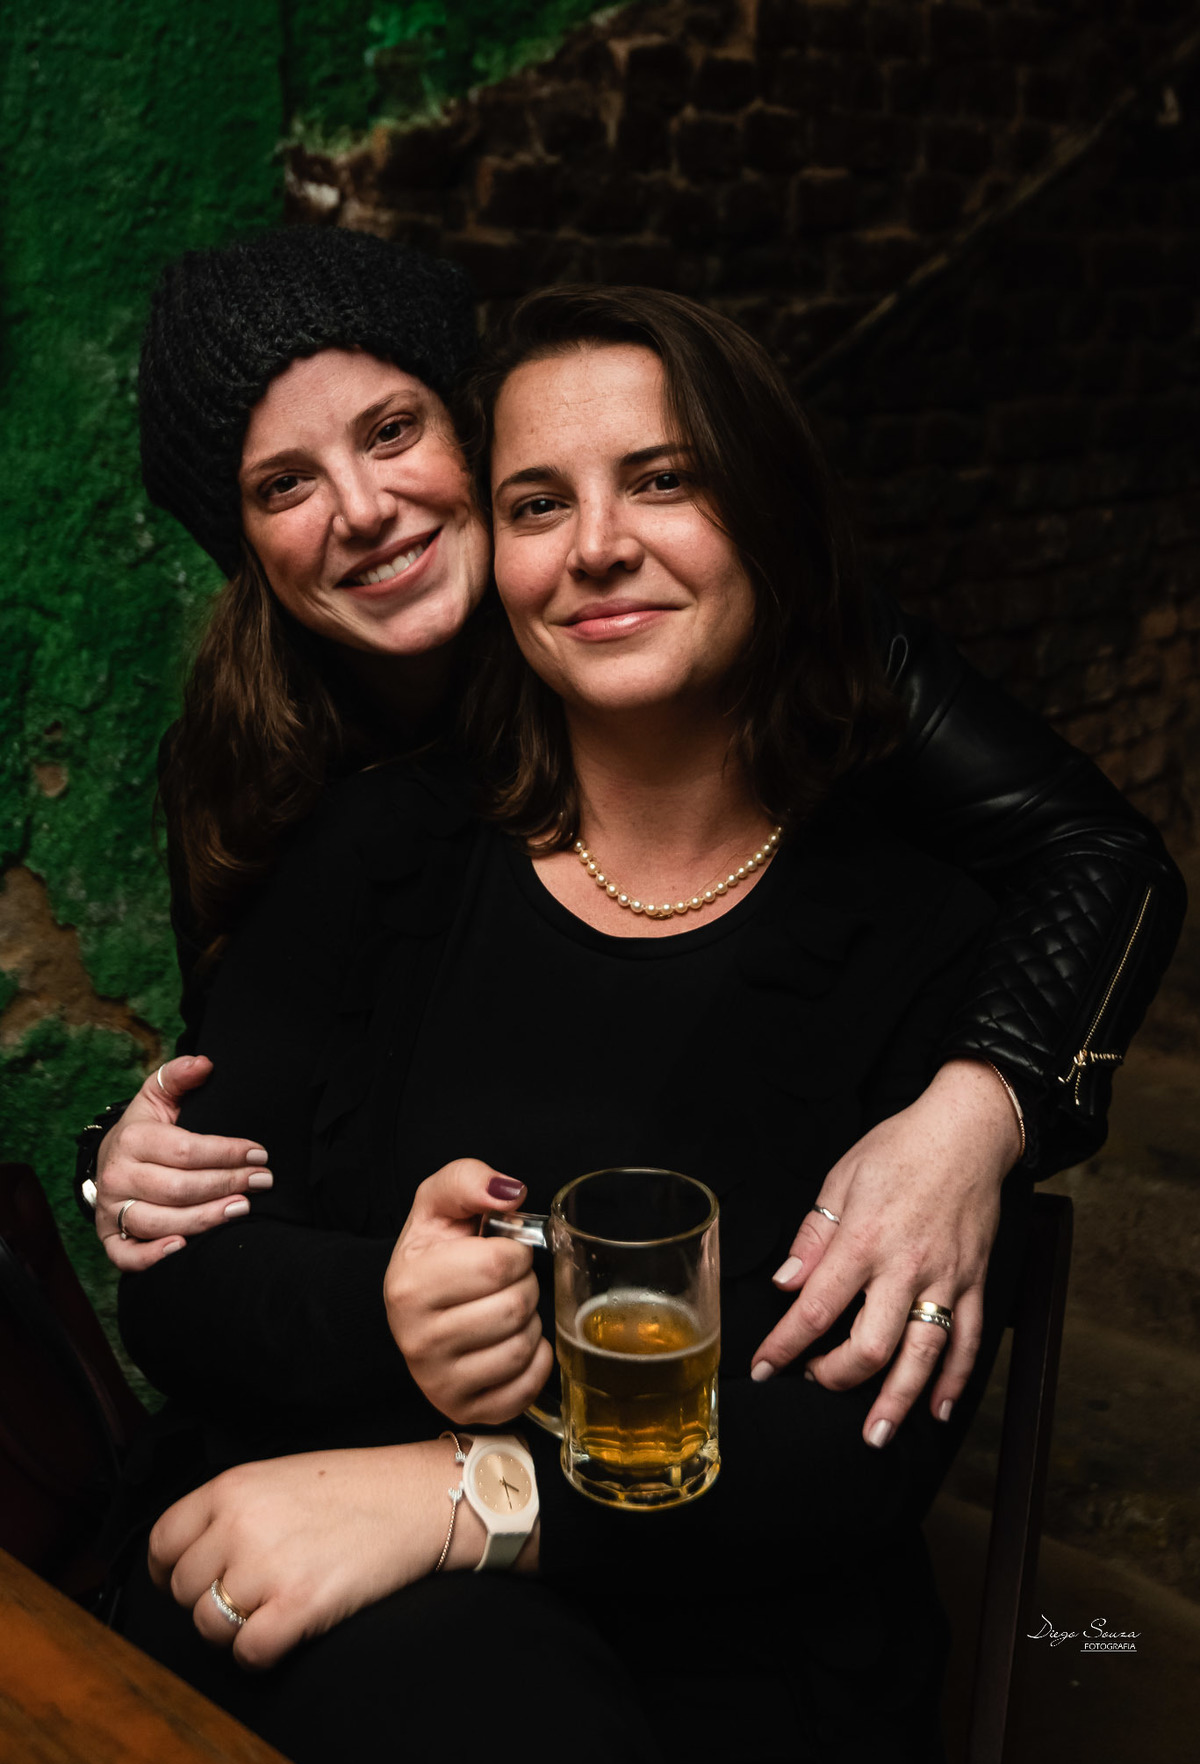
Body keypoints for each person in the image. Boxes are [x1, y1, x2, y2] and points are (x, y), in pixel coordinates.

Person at [112, 285, 1146, 1764]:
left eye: (663, 479)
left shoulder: (926, 929)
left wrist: (464, 1492)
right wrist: (371, 1297)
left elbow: (853, 1444)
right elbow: (182, 1282)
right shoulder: (369, 843)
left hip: (738, 1646)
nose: (597, 544)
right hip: (327, 1577)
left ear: (769, 514)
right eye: (540, 502)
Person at [80, 228, 1184, 1415]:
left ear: (472, 437)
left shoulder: (708, 622)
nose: (363, 509)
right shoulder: (246, 762)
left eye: (392, 431)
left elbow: (1097, 850)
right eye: (283, 484)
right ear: (242, 539)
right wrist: (122, 1157)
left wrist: (978, 1110)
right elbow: (247, 1087)